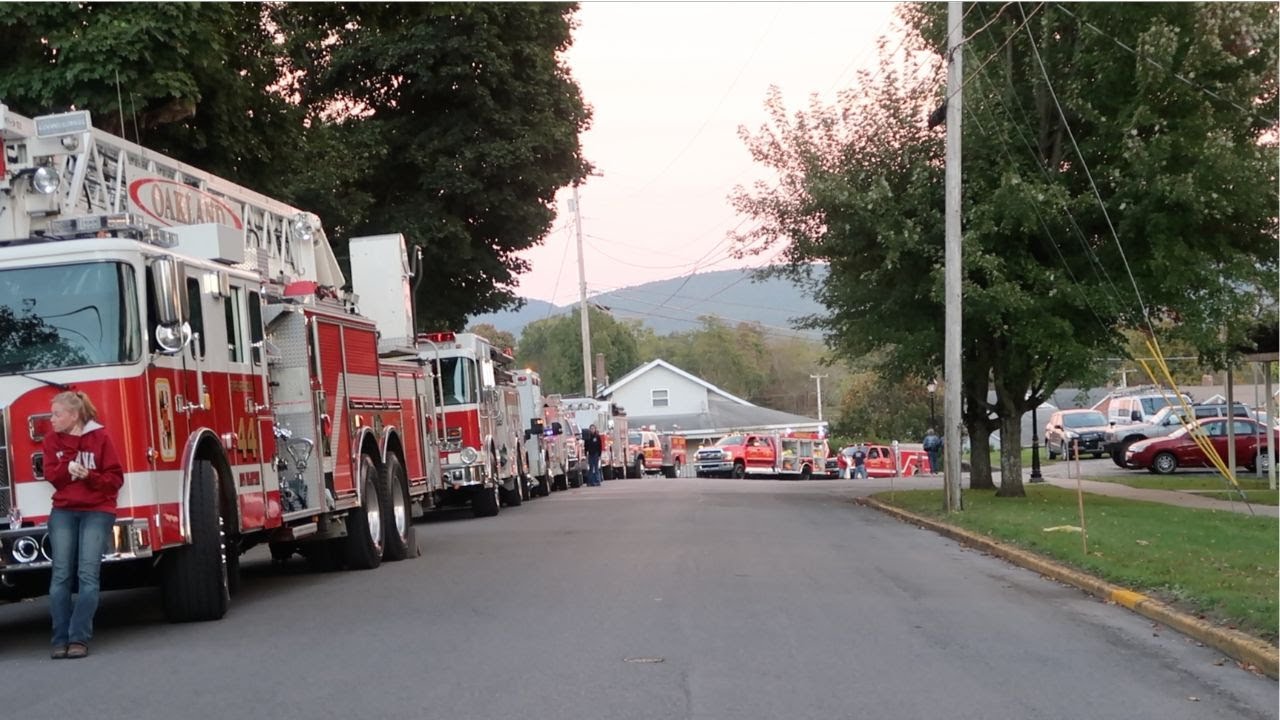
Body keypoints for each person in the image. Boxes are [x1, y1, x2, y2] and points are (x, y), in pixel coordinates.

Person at [43, 390, 123, 659]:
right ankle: (59, 639)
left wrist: (89, 475)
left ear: (74, 415)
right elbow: (52, 476)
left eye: (57, 414)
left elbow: (115, 479)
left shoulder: (100, 436)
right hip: (63, 510)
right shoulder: (52, 440)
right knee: (61, 575)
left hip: (97, 511)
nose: (51, 419)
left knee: (87, 575)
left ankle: (79, 638)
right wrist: (67, 468)